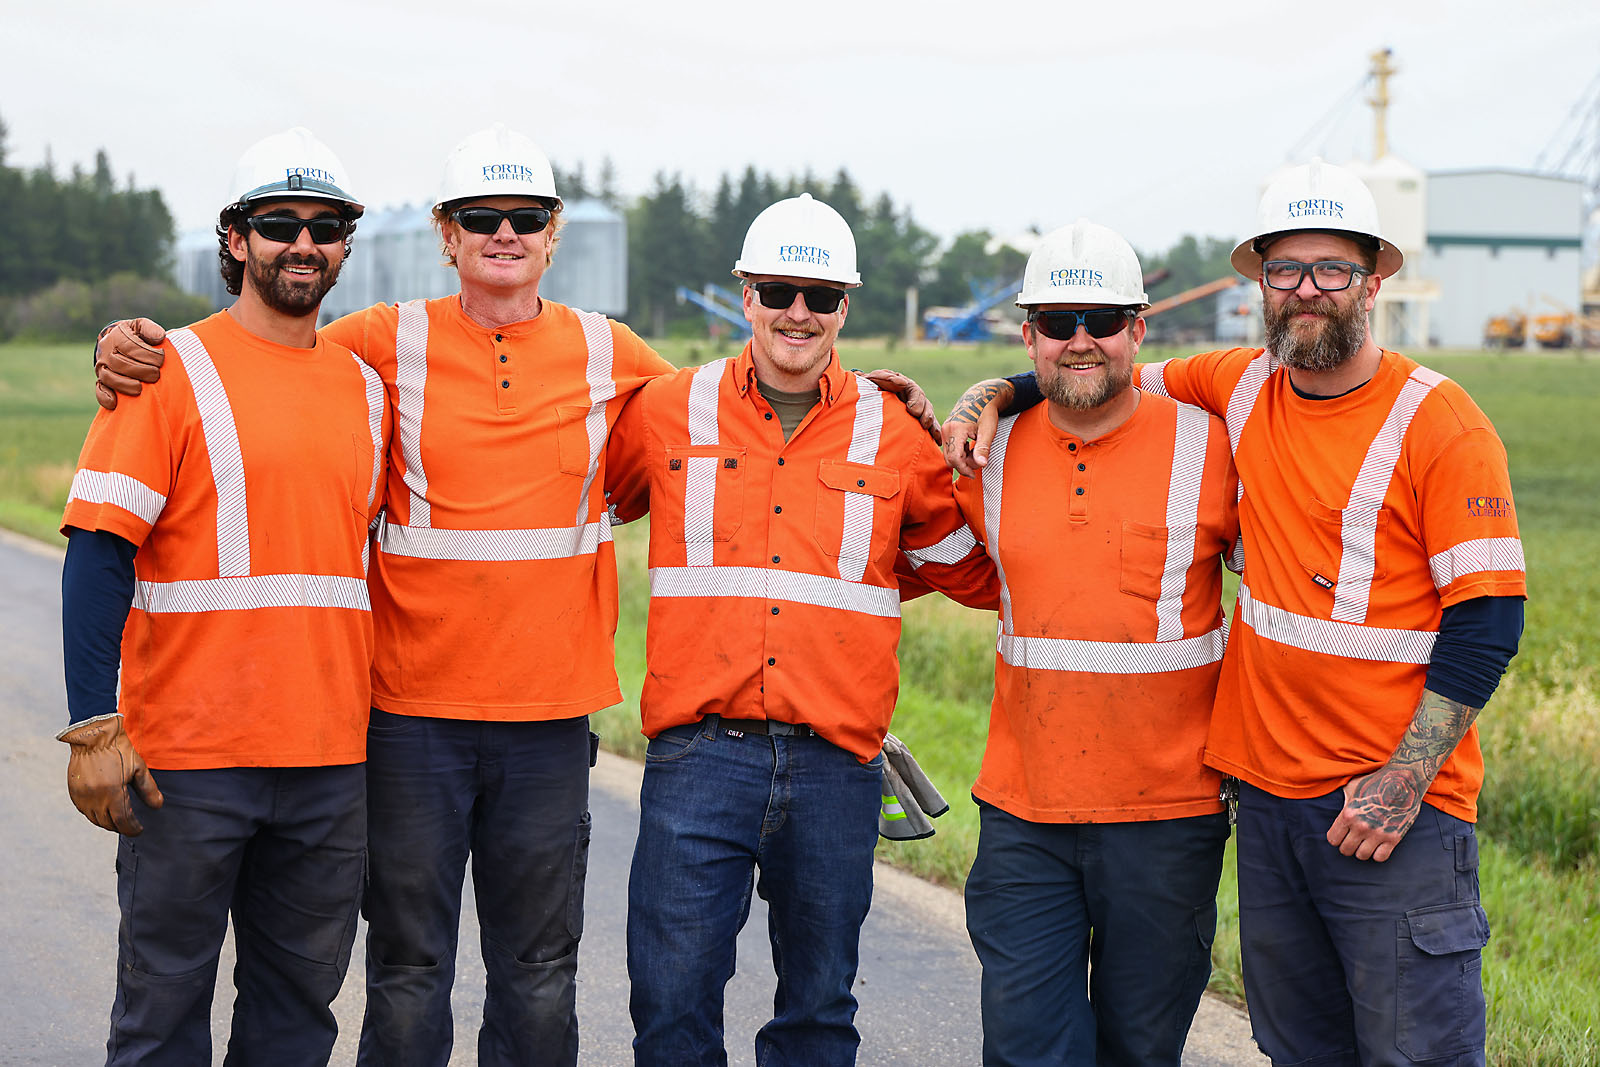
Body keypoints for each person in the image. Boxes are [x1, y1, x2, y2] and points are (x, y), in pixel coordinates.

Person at [92, 134, 939, 1067]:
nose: (504, 233)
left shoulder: (606, 350)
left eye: (525, 219)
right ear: (445, 237)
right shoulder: (380, 340)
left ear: (553, 235)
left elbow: (733, 403)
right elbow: (265, 350)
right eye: (481, 220)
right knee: (409, 975)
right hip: (410, 721)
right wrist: (137, 344)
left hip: (544, 724)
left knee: (539, 976)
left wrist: (888, 397)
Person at [941, 160, 1526, 1067]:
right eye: (1285, 271)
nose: (1306, 291)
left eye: (1331, 270)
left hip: (1389, 810)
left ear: (1373, 282)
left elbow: (1489, 622)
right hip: (1269, 801)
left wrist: (1403, 782)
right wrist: (992, 392)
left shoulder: (1442, 424)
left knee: (1417, 1050)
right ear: (1260, 283)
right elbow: (1088, 371)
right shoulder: (1243, 386)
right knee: (1300, 1045)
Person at [603, 193, 988, 1067]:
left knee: (817, 1011)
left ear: (845, 306)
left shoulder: (892, 432)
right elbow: (579, 508)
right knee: (669, 1004)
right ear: (745, 294)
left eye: (819, 295)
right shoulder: (669, 410)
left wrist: (986, 424)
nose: (798, 313)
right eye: (779, 290)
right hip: (699, 757)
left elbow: (965, 567)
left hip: (835, 765)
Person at [58, 127, 387, 1064]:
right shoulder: (168, 372)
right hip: (187, 767)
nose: (304, 244)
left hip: (327, 764)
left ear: (345, 245)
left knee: (295, 1020)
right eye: (279, 224)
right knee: (160, 1018)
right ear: (235, 239)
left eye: (325, 227)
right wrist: (93, 726)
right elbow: (96, 552)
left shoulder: (366, 391)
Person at [910, 219, 1239, 1066]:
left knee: (1139, 1048)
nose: (1080, 340)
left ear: (1141, 326)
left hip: (1169, 819)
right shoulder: (987, 447)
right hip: (1026, 815)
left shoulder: (1217, 447)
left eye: (1102, 320)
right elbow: (938, 554)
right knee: (1027, 1047)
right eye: (1058, 322)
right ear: (1029, 336)